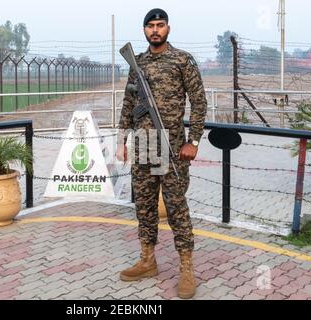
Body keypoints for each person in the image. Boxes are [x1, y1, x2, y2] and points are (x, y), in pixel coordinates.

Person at [116, 8, 208, 299]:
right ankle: (147, 260)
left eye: (160, 25)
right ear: (144, 31)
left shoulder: (182, 60)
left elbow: (199, 102)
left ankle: (187, 268)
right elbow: (129, 104)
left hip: (171, 148)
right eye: (150, 26)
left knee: (177, 209)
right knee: (143, 207)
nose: (155, 30)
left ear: (168, 28)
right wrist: (122, 141)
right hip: (143, 146)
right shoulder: (138, 62)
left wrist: (193, 141)